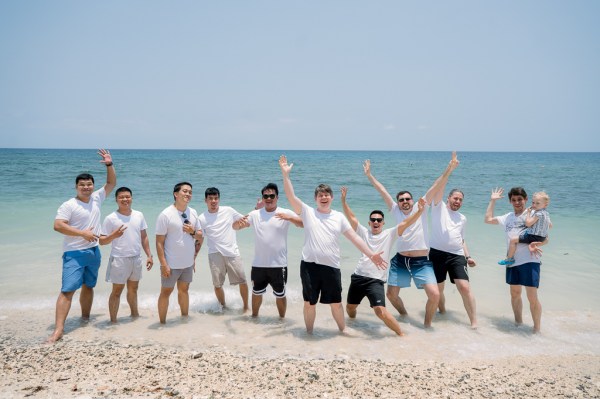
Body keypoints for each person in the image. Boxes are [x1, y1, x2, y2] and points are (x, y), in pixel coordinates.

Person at [279, 155, 387, 334]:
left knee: (336, 303)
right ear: (315, 199)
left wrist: (372, 255)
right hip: (309, 266)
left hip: (332, 267)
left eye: (327, 195)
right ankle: (309, 333)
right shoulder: (308, 212)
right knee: (309, 303)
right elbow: (291, 196)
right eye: (320, 195)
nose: (324, 197)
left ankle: (343, 330)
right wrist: (285, 175)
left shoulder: (338, 217)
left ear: (332, 198)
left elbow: (355, 238)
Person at [364, 153, 457, 328]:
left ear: (412, 200)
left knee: (435, 295)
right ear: (398, 203)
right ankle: (404, 315)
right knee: (391, 295)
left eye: (407, 199)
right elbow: (382, 190)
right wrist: (370, 176)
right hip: (400, 260)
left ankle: (427, 325)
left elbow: (435, 186)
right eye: (401, 200)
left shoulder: (420, 206)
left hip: (421, 261)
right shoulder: (395, 211)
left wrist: (448, 169)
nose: (405, 202)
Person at [48, 149, 116, 343]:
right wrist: (83, 233)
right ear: (76, 187)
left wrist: (109, 164)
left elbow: (111, 183)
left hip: (94, 251)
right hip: (74, 253)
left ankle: (85, 318)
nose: (86, 188)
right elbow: (58, 225)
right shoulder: (69, 205)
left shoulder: (96, 198)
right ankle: (58, 330)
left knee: (89, 286)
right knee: (68, 290)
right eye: (82, 185)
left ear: (93, 186)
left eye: (89, 185)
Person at [340, 186, 426, 336]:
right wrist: (343, 201)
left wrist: (419, 211)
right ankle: (353, 323)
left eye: (379, 220)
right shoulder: (363, 232)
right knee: (350, 308)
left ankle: (401, 334)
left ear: (383, 223)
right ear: (369, 222)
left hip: (376, 280)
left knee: (380, 311)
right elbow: (352, 217)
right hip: (358, 277)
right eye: (373, 220)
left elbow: (406, 223)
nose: (376, 222)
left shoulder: (390, 234)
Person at [233, 183, 303, 318]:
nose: (269, 198)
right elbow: (236, 227)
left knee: (280, 294)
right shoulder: (255, 214)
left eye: (272, 196)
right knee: (256, 293)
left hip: (279, 264)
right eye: (266, 196)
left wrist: (290, 218)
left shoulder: (285, 212)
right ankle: (254, 318)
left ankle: (281, 320)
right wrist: (237, 223)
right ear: (262, 198)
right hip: (259, 264)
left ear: (277, 197)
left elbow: (303, 223)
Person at [485, 187, 545, 333]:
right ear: (510, 201)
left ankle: (536, 329)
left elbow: (545, 236)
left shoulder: (533, 214)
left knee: (532, 297)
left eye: (520, 199)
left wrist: (538, 244)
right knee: (515, 294)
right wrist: (492, 201)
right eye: (514, 200)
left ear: (525, 199)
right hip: (512, 261)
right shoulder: (508, 217)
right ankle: (518, 324)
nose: (517, 202)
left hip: (530, 260)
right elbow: (487, 220)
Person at [428, 152, 478, 328]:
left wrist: (468, 256)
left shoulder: (462, 218)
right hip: (437, 254)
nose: (458, 201)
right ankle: (441, 311)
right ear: (448, 198)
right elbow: (439, 187)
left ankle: (474, 322)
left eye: (460, 200)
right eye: (455, 198)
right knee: (439, 289)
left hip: (456, 255)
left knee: (464, 287)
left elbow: (462, 239)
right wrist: (450, 169)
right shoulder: (438, 207)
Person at [99, 187, 153, 323]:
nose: (125, 199)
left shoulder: (139, 215)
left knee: (133, 289)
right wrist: (114, 235)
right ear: (116, 199)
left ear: (132, 198)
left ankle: (134, 316)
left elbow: (144, 237)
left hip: (136, 258)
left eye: (128, 196)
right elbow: (102, 241)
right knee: (117, 291)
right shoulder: (110, 218)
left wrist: (149, 255)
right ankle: (113, 321)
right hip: (119, 259)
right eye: (121, 197)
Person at [155, 182, 203, 324]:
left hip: (187, 263)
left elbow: (200, 236)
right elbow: (159, 242)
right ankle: (162, 323)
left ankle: (184, 320)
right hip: (171, 263)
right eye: (184, 191)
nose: (188, 194)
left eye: (190, 192)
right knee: (166, 292)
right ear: (176, 194)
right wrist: (164, 264)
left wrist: (192, 232)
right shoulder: (166, 214)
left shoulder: (193, 212)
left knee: (184, 290)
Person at [198, 187, 249, 312]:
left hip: (232, 252)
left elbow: (245, 220)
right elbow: (200, 238)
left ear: (219, 199)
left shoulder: (228, 210)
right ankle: (223, 307)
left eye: (216, 198)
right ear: (206, 200)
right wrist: (193, 257)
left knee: (242, 280)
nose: (213, 201)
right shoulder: (202, 218)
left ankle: (246, 307)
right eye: (210, 199)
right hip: (214, 254)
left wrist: (257, 210)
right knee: (217, 285)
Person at [498, 191, 551, 266]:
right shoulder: (546, 213)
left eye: (537, 203)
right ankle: (535, 258)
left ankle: (509, 259)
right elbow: (550, 225)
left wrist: (528, 213)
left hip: (533, 236)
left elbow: (528, 223)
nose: (534, 205)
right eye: (533, 202)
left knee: (513, 240)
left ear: (545, 205)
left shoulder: (538, 213)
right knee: (523, 232)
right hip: (542, 237)